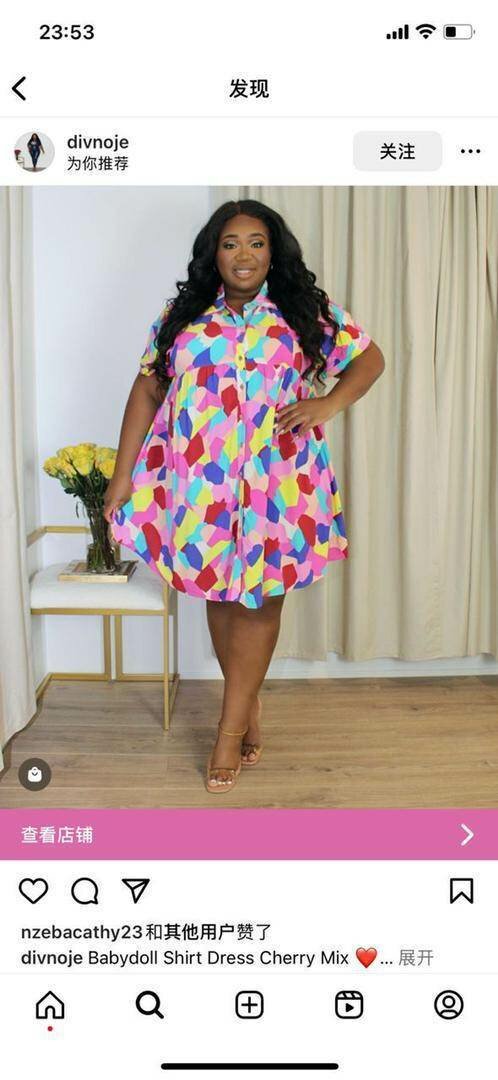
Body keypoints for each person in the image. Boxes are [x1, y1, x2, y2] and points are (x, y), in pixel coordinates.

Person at [104, 199, 385, 794]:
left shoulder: (303, 311)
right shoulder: (183, 316)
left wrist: (327, 404)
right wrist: (121, 477)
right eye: (231, 243)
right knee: (218, 591)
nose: (244, 255)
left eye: (256, 243)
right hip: (200, 482)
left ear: (273, 252)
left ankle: (228, 732)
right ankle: (247, 702)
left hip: (278, 481)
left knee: (259, 600)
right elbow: (147, 388)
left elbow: (369, 358)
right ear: (214, 253)